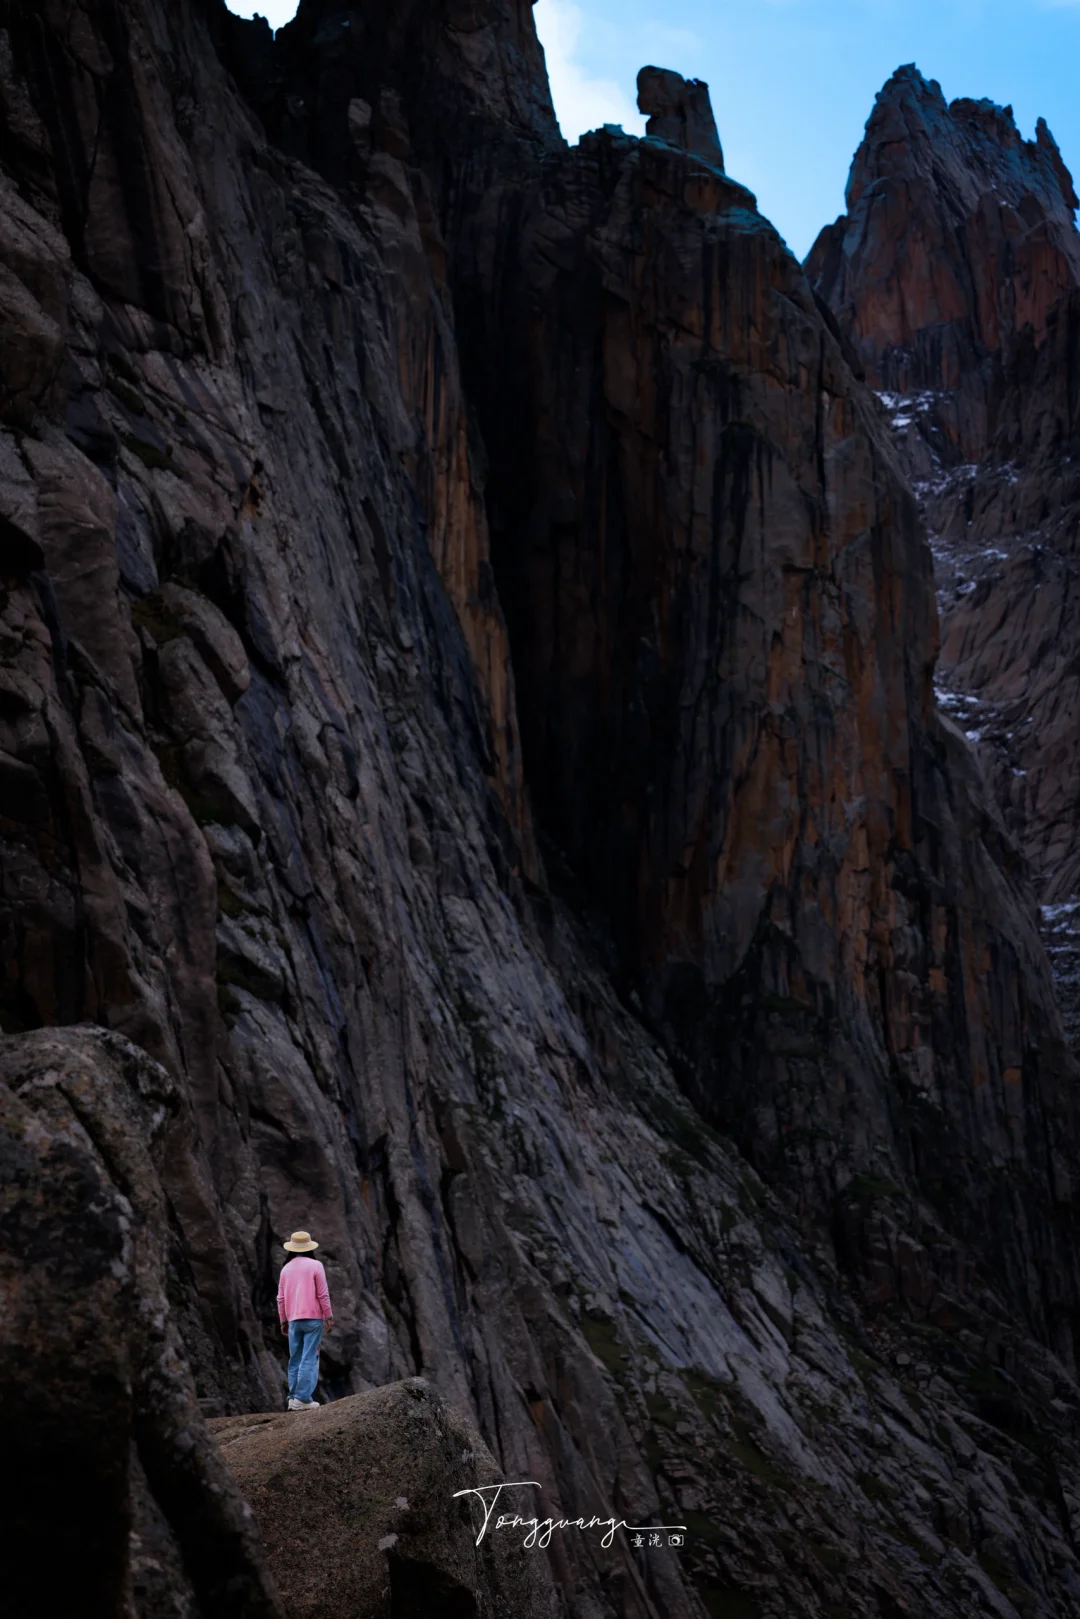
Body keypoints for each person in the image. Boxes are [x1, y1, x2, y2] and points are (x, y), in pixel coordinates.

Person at [277, 1230, 334, 1411]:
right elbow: (322, 1294)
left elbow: (280, 1298)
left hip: (294, 1320)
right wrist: (329, 1316)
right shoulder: (316, 1265)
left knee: (295, 1359)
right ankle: (303, 1398)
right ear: (309, 1248)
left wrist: (283, 1320)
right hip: (312, 1320)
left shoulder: (286, 1269)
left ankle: (293, 1398)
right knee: (309, 1358)